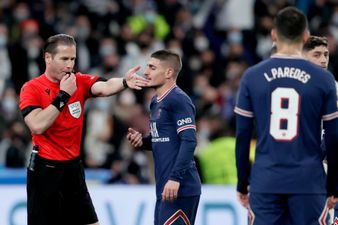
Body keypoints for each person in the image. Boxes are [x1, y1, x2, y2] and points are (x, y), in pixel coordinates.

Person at [19, 33, 148, 225]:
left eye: (72, 59)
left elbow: (104, 87)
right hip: (45, 170)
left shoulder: (78, 81)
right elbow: (37, 125)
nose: (69, 65)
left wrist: (123, 82)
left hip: (73, 168)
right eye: (64, 59)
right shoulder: (32, 88)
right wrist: (63, 95)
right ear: (47, 57)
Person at [234, 7, 338, 225]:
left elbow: (243, 136)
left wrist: (242, 183)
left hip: (266, 179)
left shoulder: (252, 77)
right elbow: (333, 137)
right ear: (306, 37)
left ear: (274, 34)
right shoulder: (324, 80)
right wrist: (333, 185)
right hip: (309, 181)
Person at [127, 49, 201, 225]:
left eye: (152, 67)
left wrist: (175, 178)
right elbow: (163, 140)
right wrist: (143, 142)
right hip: (164, 186)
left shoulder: (179, 100)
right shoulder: (156, 101)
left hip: (180, 186)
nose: (146, 72)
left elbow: (189, 141)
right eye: (147, 66)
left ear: (168, 72)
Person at [302, 35, 338, 224]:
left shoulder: (335, 89)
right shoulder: (293, 90)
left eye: (326, 54)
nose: (323, 60)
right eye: (316, 55)